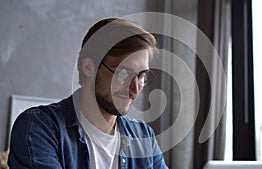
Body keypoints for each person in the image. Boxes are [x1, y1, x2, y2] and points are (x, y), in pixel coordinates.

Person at [8, 18, 168, 169]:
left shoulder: (144, 137)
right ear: (89, 67)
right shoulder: (39, 128)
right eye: (123, 72)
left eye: (141, 75)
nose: (135, 88)